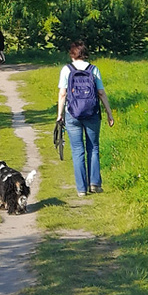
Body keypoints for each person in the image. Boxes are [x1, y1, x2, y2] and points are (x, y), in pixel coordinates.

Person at [56, 39, 115, 197]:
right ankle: (94, 183)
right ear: (84, 53)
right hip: (92, 113)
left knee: (77, 151)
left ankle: (81, 189)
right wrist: (109, 113)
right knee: (93, 148)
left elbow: (62, 94)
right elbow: (101, 93)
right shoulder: (93, 69)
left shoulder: (66, 70)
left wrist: (59, 114)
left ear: (72, 54)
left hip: (72, 114)